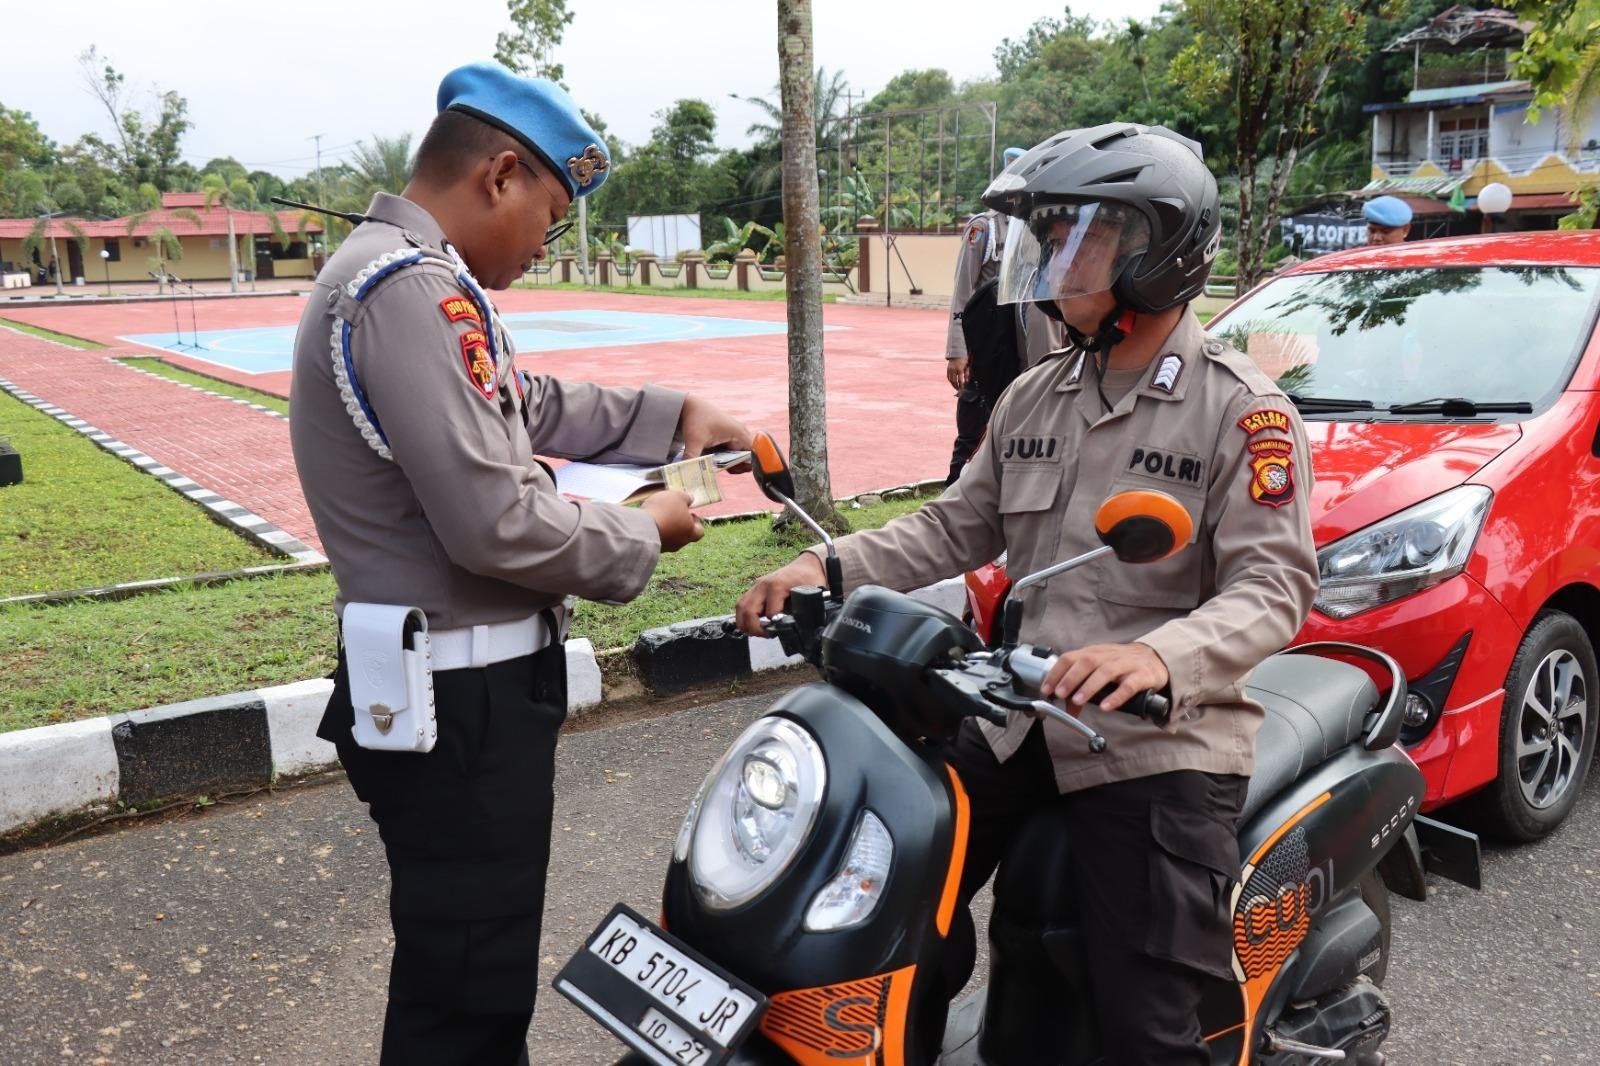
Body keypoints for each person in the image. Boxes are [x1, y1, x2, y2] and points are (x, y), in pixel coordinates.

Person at [737, 123, 1318, 1064]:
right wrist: (825, 566)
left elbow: (1273, 584)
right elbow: (955, 525)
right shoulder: (1035, 395)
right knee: (869, 902)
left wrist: (1155, 656)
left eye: (1079, 236)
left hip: (1155, 741)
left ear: (1157, 251)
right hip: (1018, 718)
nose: (1054, 258)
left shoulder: (1239, 411)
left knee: (1147, 1022)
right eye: (1046, 238)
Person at [288, 62, 750, 1065]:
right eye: (549, 215)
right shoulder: (407, 288)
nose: (546, 246)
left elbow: (521, 400)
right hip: (462, 699)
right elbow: (495, 523)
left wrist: (671, 415)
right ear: (499, 175)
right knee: (467, 995)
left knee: (468, 973)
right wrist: (645, 530)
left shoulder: (406, 274)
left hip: (451, 690)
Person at [945, 146, 1067, 485]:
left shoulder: (1036, 227)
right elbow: (963, 291)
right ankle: (954, 493)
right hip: (985, 344)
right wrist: (957, 351)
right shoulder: (985, 229)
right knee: (973, 426)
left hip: (1018, 345)